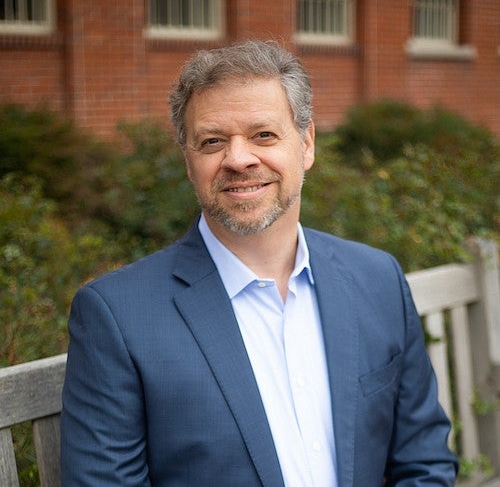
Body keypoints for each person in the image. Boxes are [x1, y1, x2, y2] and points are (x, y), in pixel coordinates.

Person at [61, 40, 458, 486]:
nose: (238, 158)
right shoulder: (118, 316)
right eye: (212, 141)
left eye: (263, 135)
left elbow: (424, 461)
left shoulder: (377, 278)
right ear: (189, 163)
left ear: (306, 145)